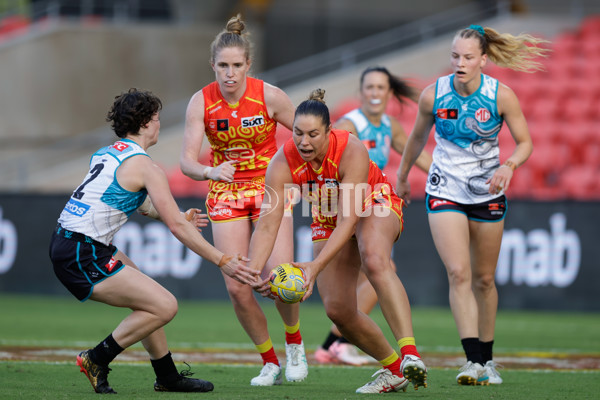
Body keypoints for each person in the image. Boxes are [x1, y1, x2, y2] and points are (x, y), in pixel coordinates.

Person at [49, 88, 259, 394]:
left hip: (75, 243)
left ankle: (167, 375)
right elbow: (177, 227)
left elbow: (139, 202)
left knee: (148, 297)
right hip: (81, 252)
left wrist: (174, 214)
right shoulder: (147, 167)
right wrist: (222, 260)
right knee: (165, 306)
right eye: (157, 118)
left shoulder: (108, 153)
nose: (159, 124)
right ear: (147, 123)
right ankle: (96, 358)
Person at [248, 88, 428, 393]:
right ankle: (395, 371)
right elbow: (267, 225)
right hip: (327, 216)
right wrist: (253, 272)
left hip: (374, 202)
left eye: (313, 134)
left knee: (373, 257)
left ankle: (411, 353)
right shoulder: (281, 163)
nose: (304, 142)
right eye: (298, 133)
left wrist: (314, 267)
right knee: (339, 311)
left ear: (329, 131)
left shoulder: (350, 149)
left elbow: (350, 220)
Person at [396, 25, 548, 385]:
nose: (459, 63)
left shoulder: (501, 96)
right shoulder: (434, 95)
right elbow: (417, 137)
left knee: (483, 279)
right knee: (458, 273)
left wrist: (508, 165)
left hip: (487, 192)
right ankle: (472, 361)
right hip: (445, 187)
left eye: (466, 57)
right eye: (454, 56)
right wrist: (402, 177)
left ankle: (489, 359)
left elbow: (525, 143)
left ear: (483, 59)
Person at [179, 14, 307, 386]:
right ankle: (269, 361)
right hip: (225, 190)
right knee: (237, 284)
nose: (230, 73)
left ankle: (295, 343)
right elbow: (186, 160)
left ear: (249, 65)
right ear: (213, 66)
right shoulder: (200, 103)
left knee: (281, 277)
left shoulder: (269, 96)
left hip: (269, 188)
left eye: (237, 65)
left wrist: (297, 177)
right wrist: (209, 172)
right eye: (223, 66)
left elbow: (305, 134)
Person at [315, 66, 433, 366]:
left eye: (381, 88)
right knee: (376, 270)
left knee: (377, 269)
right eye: (370, 87)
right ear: (361, 92)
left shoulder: (390, 126)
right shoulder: (348, 125)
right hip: (342, 205)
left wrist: (444, 176)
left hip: (370, 204)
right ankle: (336, 342)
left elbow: (414, 154)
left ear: (389, 93)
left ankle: (335, 342)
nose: (375, 93)